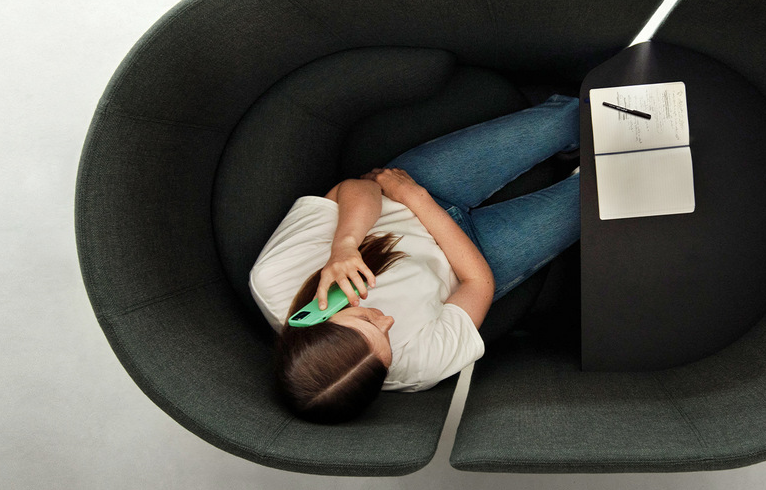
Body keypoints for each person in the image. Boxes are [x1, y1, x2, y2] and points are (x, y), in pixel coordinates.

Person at [249, 94, 583, 423]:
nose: (387, 322)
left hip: (408, 192)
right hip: (470, 255)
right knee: (600, 195)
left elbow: (357, 188)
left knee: (568, 117)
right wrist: (419, 200)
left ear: (315, 325)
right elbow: (478, 284)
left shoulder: (275, 278)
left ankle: (569, 148)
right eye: (386, 352)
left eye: (367, 321)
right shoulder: (417, 369)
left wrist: (345, 246)